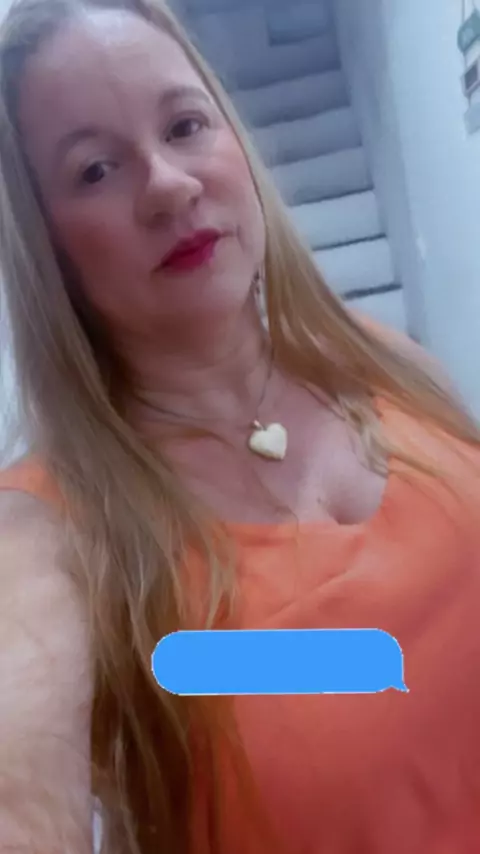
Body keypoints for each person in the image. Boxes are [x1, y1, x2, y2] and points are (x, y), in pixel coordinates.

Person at [0, 0, 479, 852]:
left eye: (185, 126)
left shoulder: (380, 360)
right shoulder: (47, 534)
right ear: (48, 249)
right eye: (96, 170)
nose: (169, 185)